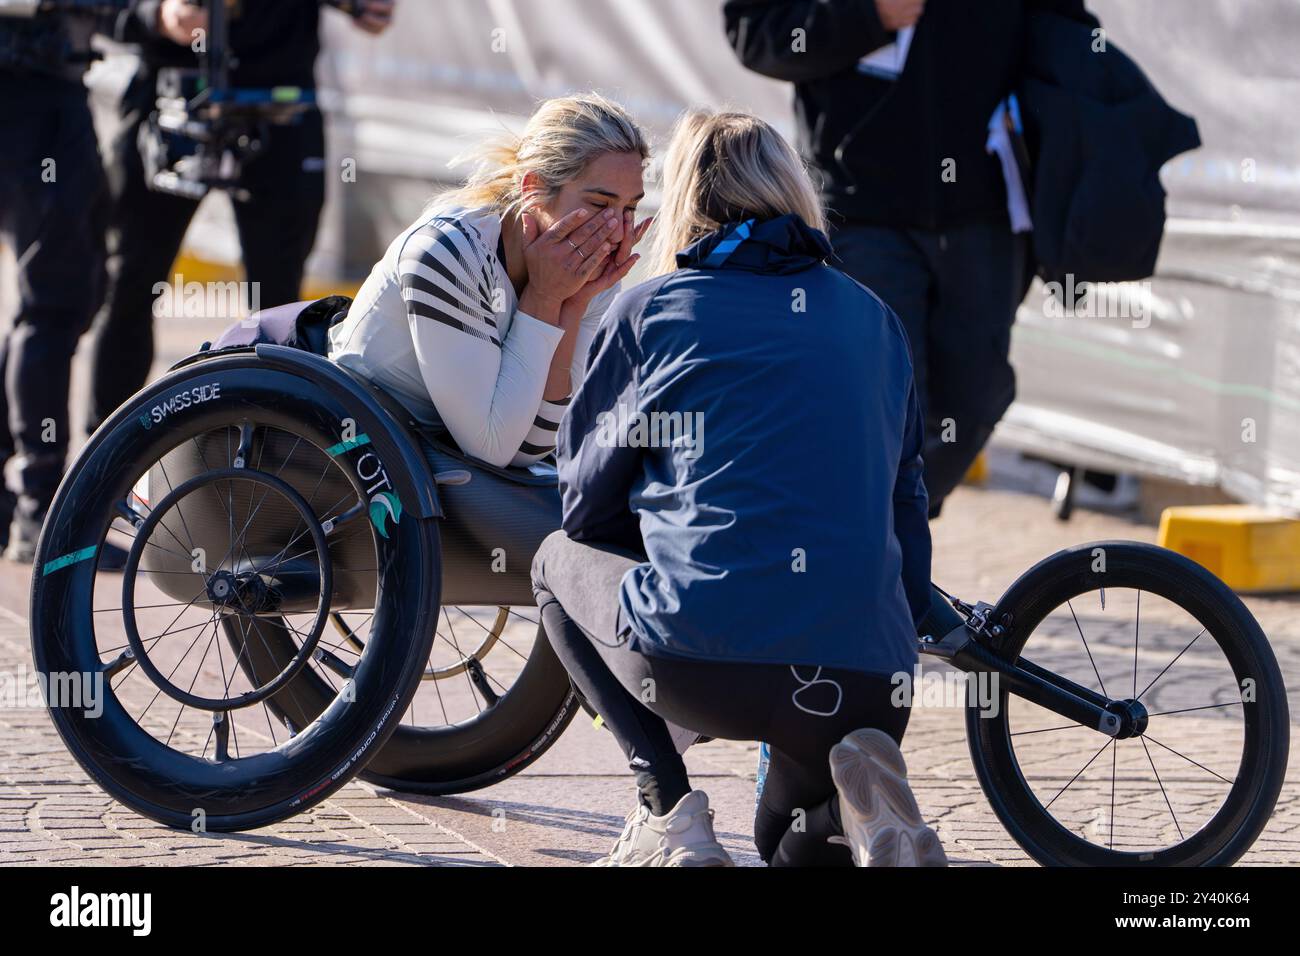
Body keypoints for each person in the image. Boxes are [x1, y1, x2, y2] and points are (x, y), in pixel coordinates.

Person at [530, 110, 943, 867]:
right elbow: (905, 500)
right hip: (867, 679)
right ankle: (862, 801)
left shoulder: (650, 310)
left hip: (702, 661)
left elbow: (583, 505)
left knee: (554, 560)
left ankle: (668, 816)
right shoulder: (874, 318)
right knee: (786, 852)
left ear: (683, 202)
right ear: (795, 192)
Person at [724, 0, 1097, 516]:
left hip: (983, 211)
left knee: (978, 397)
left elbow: (1070, 33)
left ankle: (891, 533)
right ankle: (873, 556)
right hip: (861, 211)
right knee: (883, 403)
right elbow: (754, 30)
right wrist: (868, 16)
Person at [83, 0, 395, 444]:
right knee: (130, 284)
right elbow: (88, 11)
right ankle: (100, 468)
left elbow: (376, 12)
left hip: (281, 103)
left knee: (280, 310)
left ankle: (273, 464)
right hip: (170, 99)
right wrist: (158, 14)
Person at [328, 94, 651, 467]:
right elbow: (493, 448)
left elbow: (542, 443)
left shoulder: (589, 275)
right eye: (598, 204)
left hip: (431, 451)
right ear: (532, 189)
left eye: (629, 208)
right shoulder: (447, 252)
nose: (617, 231)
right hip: (351, 448)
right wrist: (544, 299)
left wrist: (573, 304)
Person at [0, 7, 107, 561]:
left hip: (56, 92)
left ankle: (20, 500)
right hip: (27, 94)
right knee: (52, 304)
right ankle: (40, 511)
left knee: (76, 291)